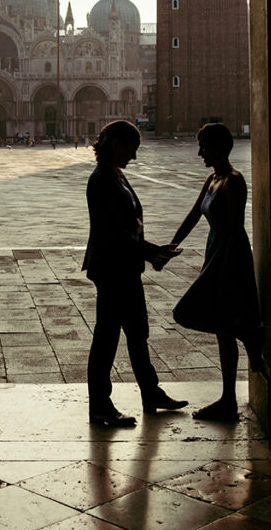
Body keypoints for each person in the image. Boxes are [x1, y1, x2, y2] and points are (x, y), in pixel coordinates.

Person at [83, 119, 187, 426]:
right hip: (112, 268)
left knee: (138, 333)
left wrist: (151, 253)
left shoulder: (114, 175)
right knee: (107, 337)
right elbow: (115, 234)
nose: (135, 157)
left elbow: (129, 228)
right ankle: (100, 404)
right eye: (133, 149)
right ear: (116, 143)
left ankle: (151, 392)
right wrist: (153, 250)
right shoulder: (102, 179)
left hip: (124, 267)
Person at [167, 123, 263, 422]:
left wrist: (222, 267)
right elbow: (195, 214)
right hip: (215, 251)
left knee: (185, 312)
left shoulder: (234, 181)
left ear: (221, 147)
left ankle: (246, 333)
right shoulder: (212, 179)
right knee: (222, 329)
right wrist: (171, 246)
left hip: (229, 257)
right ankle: (228, 400)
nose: (199, 153)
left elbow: (235, 227)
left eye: (203, 147)